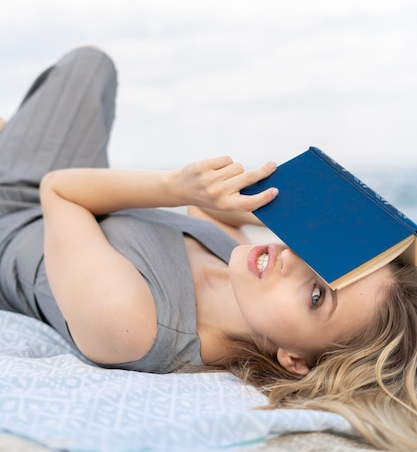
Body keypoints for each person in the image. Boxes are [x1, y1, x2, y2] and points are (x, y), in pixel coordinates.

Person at [0, 46, 416, 451]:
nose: (291, 258)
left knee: (80, 74)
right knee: (92, 64)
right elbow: (213, 213)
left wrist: (172, 186)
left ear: (295, 360)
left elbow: (58, 190)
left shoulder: (128, 322)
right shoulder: (246, 279)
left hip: (15, 209)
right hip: (67, 195)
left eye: (316, 295)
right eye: (328, 260)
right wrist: (318, 223)